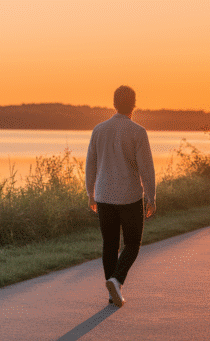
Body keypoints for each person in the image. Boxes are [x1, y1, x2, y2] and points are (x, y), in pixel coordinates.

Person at [85, 85, 156, 308]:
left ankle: (112, 291)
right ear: (134, 104)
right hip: (130, 196)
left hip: (104, 195)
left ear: (114, 103)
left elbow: (91, 164)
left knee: (110, 245)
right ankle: (116, 281)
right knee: (133, 243)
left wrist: (90, 193)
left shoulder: (99, 130)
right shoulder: (138, 132)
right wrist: (151, 197)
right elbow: (147, 168)